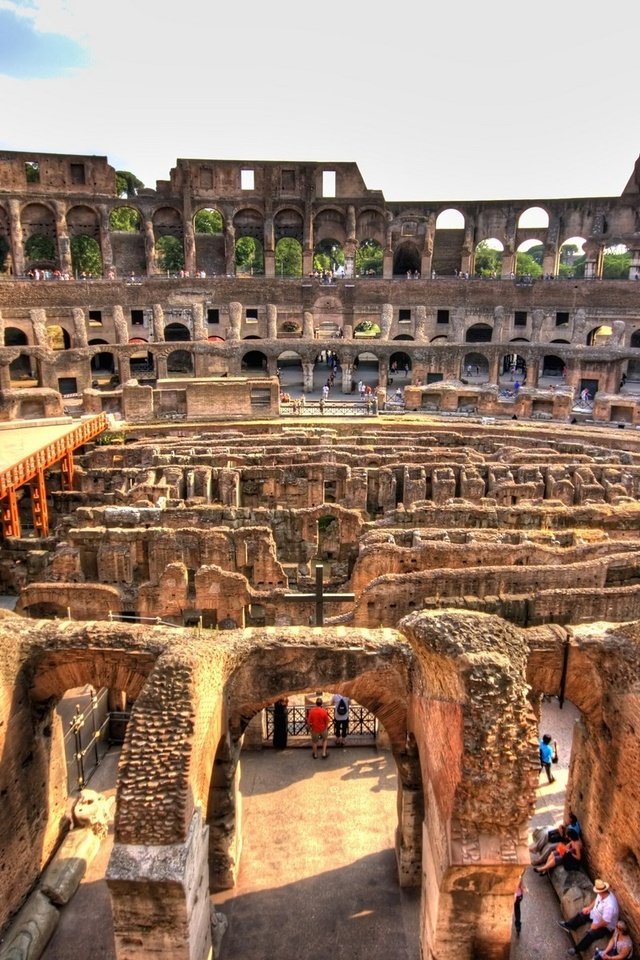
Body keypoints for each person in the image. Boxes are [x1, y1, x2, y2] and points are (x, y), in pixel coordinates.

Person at [560, 879, 619, 956]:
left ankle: (576, 949)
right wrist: (589, 908)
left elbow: (606, 921)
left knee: (592, 934)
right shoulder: (602, 893)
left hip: (606, 926)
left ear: (602, 891)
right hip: (597, 915)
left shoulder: (610, 905)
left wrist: (596, 926)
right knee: (582, 914)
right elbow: (596, 900)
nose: (597, 892)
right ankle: (569, 925)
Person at [514, 871, 527, 937]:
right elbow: (521, 884)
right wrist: (524, 888)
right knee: (517, 909)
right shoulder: (519, 874)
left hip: (513, 894)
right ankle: (518, 926)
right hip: (519, 895)